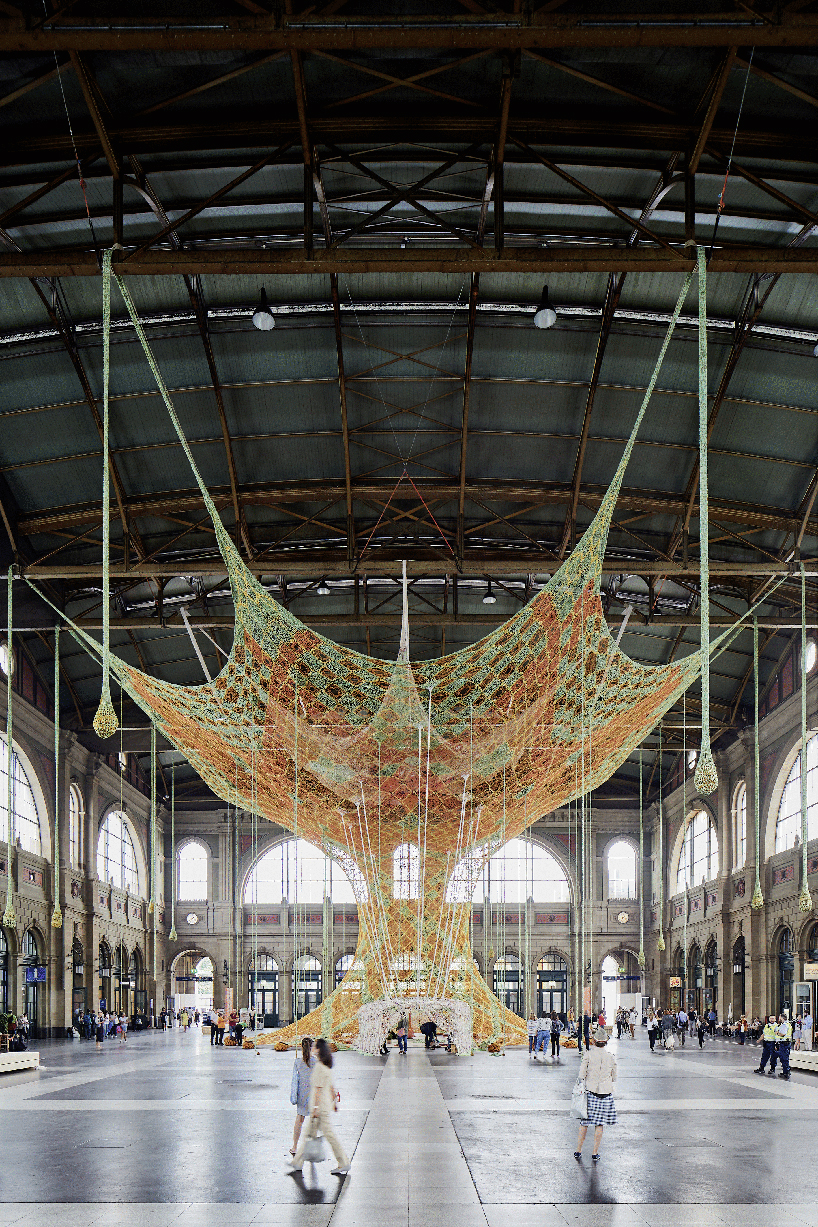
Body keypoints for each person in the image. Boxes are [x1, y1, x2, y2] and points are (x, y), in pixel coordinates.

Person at [290, 1037, 350, 1177]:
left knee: (328, 1135)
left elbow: (317, 1089)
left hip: (319, 1109)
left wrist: (315, 1108)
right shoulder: (326, 1066)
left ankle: (343, 1161)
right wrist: (334, 1103)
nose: (313, 1048)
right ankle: (298, 1162)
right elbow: (331, 1087)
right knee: (309, 1135)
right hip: (324, 1106)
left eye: (315, 1046)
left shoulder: (318, 1067)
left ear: (318, 1050)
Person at [574, 1024, 617, 1164]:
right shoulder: (611, 1057)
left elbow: (581, 1075)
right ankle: (595, 1153)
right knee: (600, 1124)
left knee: (584, 1123)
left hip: (591, 1092)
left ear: (593, 1041)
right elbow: (614, 1077)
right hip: (605, 1093)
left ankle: (578, 1150)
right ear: (605, 1042)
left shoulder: (588, 1055)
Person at [289, 1036, 315, 1157]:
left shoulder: (297, 1062)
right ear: (312, 1048)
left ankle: (294, 1146)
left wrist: (293, 1096)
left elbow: (294, 1080)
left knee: (299, 1119)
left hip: (301, 1095)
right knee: (313, 1121)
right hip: (313, 1094)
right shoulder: (316, 1062)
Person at [776, 1014, 793, 1080]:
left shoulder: (784, 1025)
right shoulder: (788, 1024)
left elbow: (783, 1034)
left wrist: (777, 1033)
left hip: (784, 1043)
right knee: (786, 1057)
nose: (779, 1019)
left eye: (780, 1017)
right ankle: (787, 1071)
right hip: (788, 1042)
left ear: (782, 1018)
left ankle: (786, 1073)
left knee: (783, 1057)